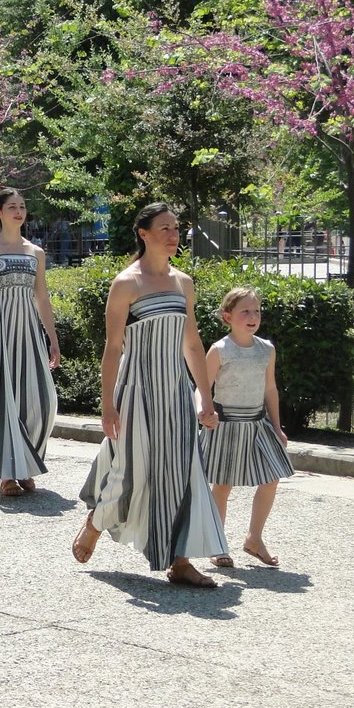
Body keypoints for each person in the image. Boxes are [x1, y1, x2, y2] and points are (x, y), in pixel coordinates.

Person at [71, 203, 228, 588]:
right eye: (164, 228)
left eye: (177, 228)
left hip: (175, 391)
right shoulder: (126, 283)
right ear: (143, 233)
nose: (173, 235)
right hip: (136, 389)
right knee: (132, 468)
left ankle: (180, 559)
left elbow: (192, 344)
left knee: (183, 471)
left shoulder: (183, 282)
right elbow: (112, 349)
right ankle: (96, 520)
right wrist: (107, 404)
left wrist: (205, 398)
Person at [0, 188, 60, 497]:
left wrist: (52, 338)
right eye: (12, 207)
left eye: (22, 206)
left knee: (43, 401)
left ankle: (25, 462)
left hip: (29, 332)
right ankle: (7, 473)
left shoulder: (35, 252)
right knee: (3, 402)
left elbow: (42, 296)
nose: (18, 211)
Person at [199, 287, 294, 569]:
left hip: (257, 424)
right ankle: (217, 543)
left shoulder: (266, 349)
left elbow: (271, 389)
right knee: (223, 485)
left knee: (271, 477)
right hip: (225, 425)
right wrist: (204, 412)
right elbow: (202, 388)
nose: (253, 316)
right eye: (245, 312)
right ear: (228, 316)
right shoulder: (219, 350)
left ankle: (254, 538)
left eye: (256, 311)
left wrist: (277, 428)